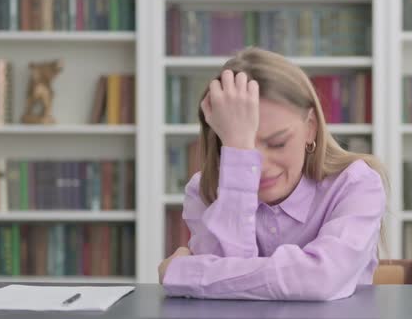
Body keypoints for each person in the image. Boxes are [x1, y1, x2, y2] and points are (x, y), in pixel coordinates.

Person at [158, 47, 388, 301]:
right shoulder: (203, 191)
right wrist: (238, 158)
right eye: (239, 148)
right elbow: (225, 301)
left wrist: (185, 274)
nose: (262, 166)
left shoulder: (356, 184)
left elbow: (322, 279)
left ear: (310, 129)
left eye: (277, 143)